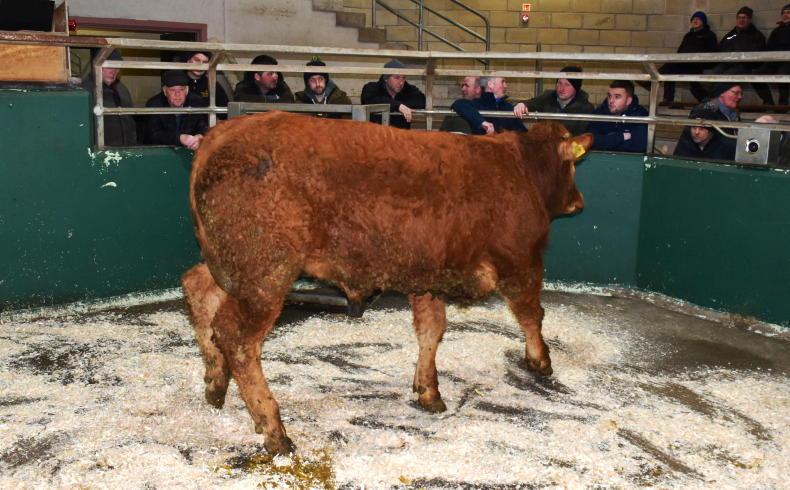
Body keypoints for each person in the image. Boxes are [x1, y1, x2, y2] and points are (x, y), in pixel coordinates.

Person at [709, 7, 768, 104]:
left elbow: (758, 52)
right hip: (728, 63)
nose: (741, 20)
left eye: (744, 17)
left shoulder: (756, 35)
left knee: (728, 75)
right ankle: (712, 99)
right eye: (739, 17)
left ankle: (714, 101)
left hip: (745, 65)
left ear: (749, 19)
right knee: (715, 72)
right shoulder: (731, 34)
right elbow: (721, 48)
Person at [512, 66, 594, 135]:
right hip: (545, 148)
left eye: (567, 85)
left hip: (567, 150)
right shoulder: (547, 98)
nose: (561, 88)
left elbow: (580, 137)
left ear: (576, 88)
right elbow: (532, 103)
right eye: (559, 83)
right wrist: (522, 104)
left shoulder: (586, 109)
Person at [657, 12, 718, 103]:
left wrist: (698, 57)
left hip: (700, 64)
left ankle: (705, 99)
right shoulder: (688, 36)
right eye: (694, 19)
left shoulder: (709, 35)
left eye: (698, 19)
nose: (695, 20)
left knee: (688, 77)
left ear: (703, 22)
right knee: (670, 68)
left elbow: (713, 52)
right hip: (685, 63)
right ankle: (667, 99)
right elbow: (680, 51)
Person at [144, 70, 208, 150]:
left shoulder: (197, 103)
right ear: (165, 91)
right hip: (162, 151)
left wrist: (200, 137)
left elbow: (204, 126)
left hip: (190, 150)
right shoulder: (154, 104)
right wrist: (179, 138)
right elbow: (153, 134)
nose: (177, 94)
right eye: (172, 90)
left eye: (181, 89)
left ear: (187, 90)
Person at [89, 50, 137, 146]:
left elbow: (130, 122)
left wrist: (132, 145)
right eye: (108, 65)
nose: (113, 71)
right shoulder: (87, 90)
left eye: (116, 66)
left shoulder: (122, 89)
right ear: (96, 66)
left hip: (124, 150)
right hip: (100, 152)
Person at [360, 59, 426, 129]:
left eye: (403, 78)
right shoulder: (372, 88)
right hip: (376, 135)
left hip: (400, 136)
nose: (401, 83)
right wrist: (398, 106)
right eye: (397, 78)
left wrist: (399, 105)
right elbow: (369, 100)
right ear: (386, 78)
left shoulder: (409, 89)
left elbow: (421, 101)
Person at [587, 80, 648, 152]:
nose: (611, 101)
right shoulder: (599, 112)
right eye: (609, 96)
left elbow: (638, 146)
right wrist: (622, 136)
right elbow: (591, 141)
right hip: (602, 159)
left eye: (617, 97)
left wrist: (606, 139)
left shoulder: (640, 114)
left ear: (628, 101)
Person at [450, 77, 526, 135]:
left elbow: (523, 133)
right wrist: (482, 122)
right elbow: (459, 104)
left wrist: (521, 104)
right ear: (490, 84)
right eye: (503, 82)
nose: (505, 86)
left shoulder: (508, 107)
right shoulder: (478, 104)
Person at [752, 4, 790, 106]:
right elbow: (769, 48)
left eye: (788, 13)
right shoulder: (776, 31)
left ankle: (783, 104)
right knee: (754, 74)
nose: (785, 15)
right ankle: (768, 101)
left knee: (783, 72)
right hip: (774, 61)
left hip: (787, 62)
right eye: (784, 13)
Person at [182, 51, 230, 117]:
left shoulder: (212, 84)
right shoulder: (177, 82)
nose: (200, 64)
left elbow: (225, 110)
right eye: (197, 60)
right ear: (188, 61)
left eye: (205, 62)